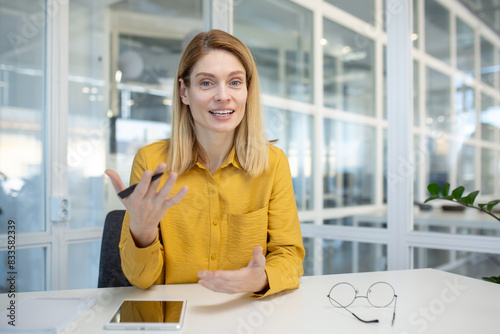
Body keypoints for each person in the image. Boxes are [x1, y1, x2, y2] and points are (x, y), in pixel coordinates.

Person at [105, 29, 304, 298]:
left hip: (246, 312)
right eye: (207, 83)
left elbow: (290, 256)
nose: (223, 96)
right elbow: (141, 280)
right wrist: (142, 231)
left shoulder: (274, 163)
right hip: (177, 316)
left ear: (247, 90)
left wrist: (262, 278)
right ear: (184, 91)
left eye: (235, 82)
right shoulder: (152, 162)